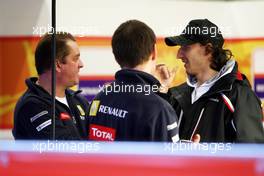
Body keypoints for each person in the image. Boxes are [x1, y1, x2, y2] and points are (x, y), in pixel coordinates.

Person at [162, 19, 264, 143]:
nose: (179, 55)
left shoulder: (239, 96)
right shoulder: (176, 94)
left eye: (186, 47)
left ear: (208, 49)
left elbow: (250, 155)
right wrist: (160, 92)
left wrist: (205, 158)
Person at [88, 20, 179, 142]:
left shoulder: (99, 99)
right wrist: (190, 154)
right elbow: (171, 159)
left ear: (116, 56)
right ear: (154, 52)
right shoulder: (160, 110)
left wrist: (160, 90)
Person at [13, 32, 89, 140]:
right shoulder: (31, 106)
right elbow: (65, 151)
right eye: (75, 59)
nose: (81, 64)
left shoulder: (79, 100)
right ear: (58, 65)